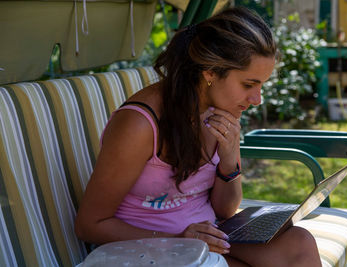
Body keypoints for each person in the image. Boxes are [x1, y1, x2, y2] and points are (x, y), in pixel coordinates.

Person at [75, 6, 322, 267]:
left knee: (300, 243)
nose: (257, 100)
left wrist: (228, 158)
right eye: (248, 85)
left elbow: (225, 210)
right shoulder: (140, 125)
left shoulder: (221, 112)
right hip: (145, 250)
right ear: (210, 73)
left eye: (262, 85)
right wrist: (179, 239)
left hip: (205, 240)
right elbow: (90, 225)